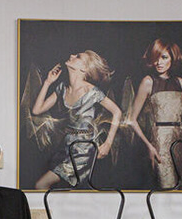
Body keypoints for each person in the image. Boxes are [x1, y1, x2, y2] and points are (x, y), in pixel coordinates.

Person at [30, 50, 122, 190]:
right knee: (66, 191)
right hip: (66, 147)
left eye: (78, 57)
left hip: (84, 150)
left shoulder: (92, 92)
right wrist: (48, 82)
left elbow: (117, 112)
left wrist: (108, 144)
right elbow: (37, 110)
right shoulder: (62, 88)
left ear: (84, 69)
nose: (72, 56)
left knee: (41, 185)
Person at [124, 39, 182, 189]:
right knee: (167, 185)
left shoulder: (179, 82)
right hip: (160, 141)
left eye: (164, 57)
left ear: (172, 58)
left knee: (180, 185)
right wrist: (149, 146)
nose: (159, 62)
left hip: (180, 140)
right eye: (155, 58)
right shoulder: (148, 82)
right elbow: (131, 119)